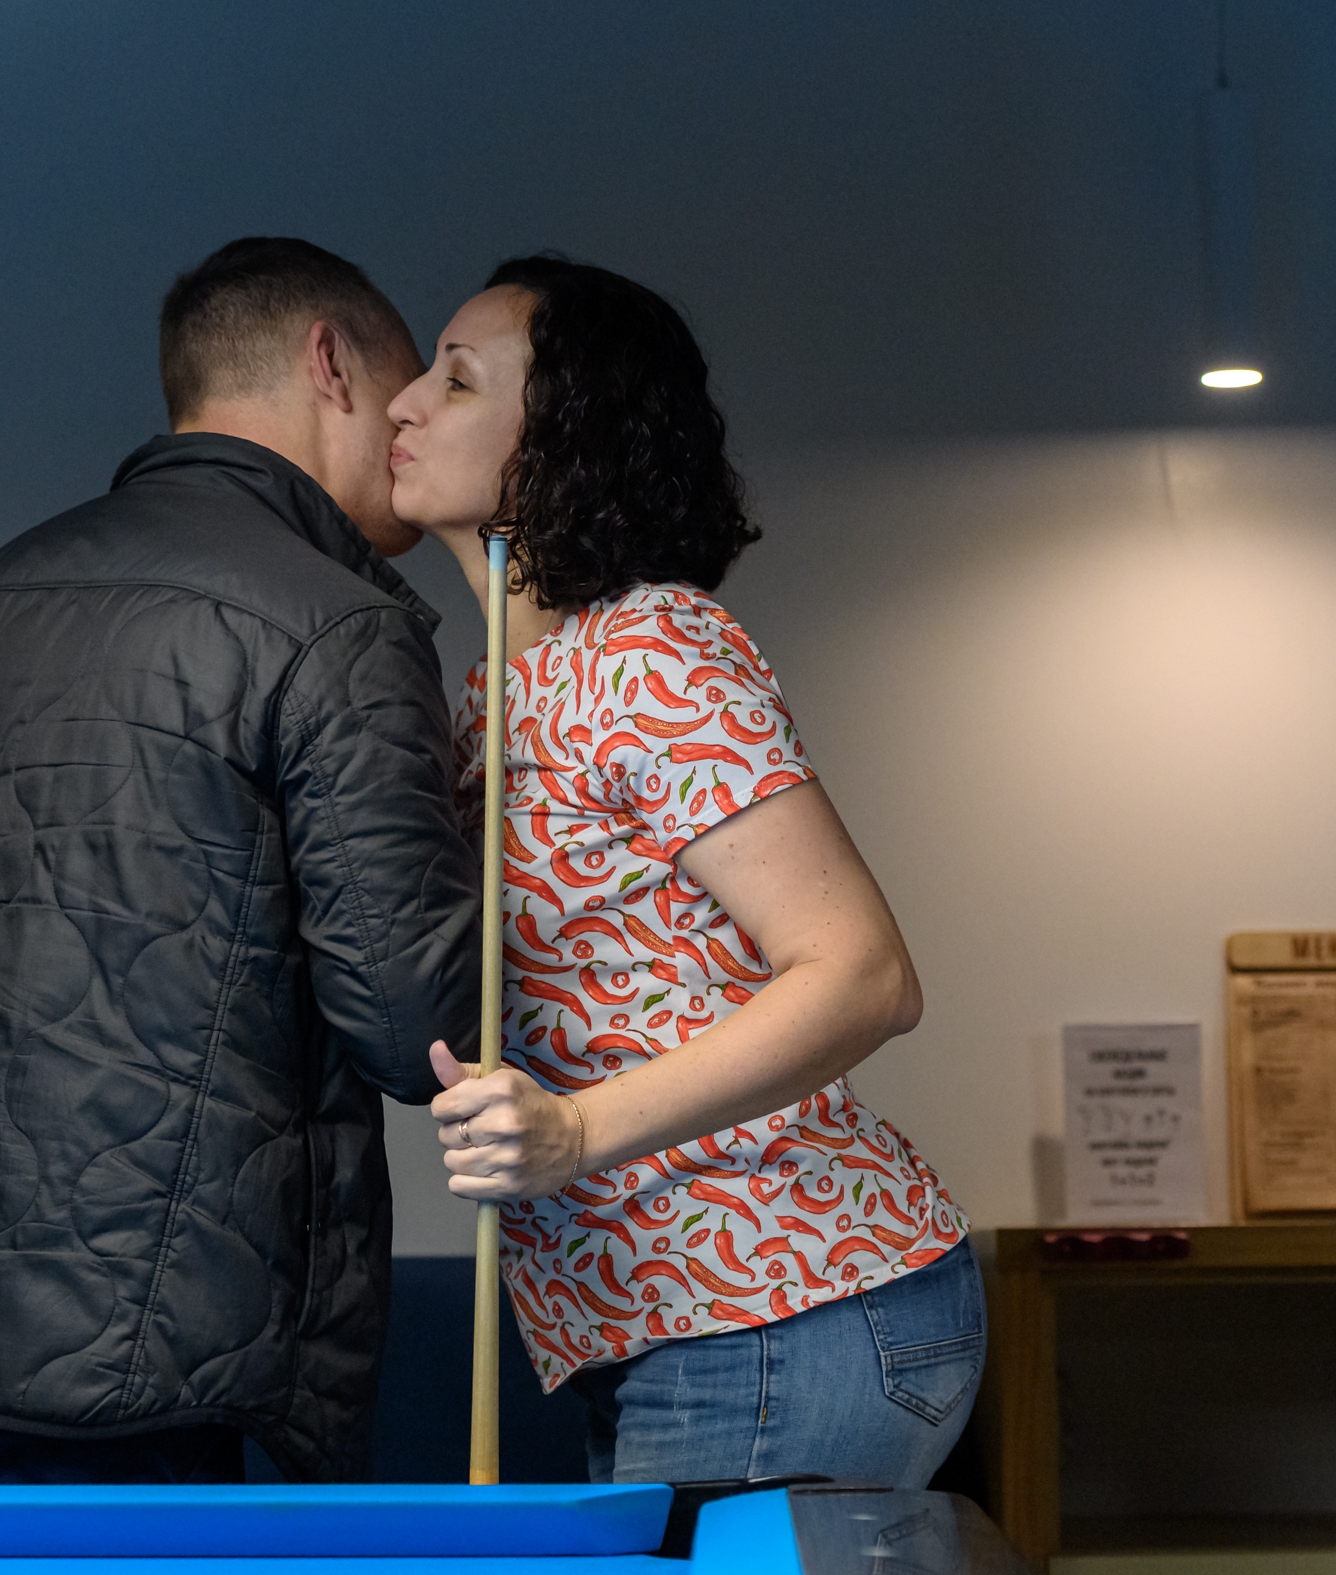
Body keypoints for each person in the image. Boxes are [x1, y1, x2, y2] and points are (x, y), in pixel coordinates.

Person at [0, 238, 482, 1485]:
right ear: (330, 363)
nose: (416, 414)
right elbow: (416, 1025)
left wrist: (38, 1005)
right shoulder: (338, 625)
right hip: (173, 1361)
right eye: (408, 379)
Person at [386, 256, 981, 1487]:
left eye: (457, 380)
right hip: (668, 1326)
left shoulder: (652, 647)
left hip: (790, 1303)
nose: (404, 402)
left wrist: (574, 1129)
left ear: (559, 439)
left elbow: (866, 975)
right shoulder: (494, 694)